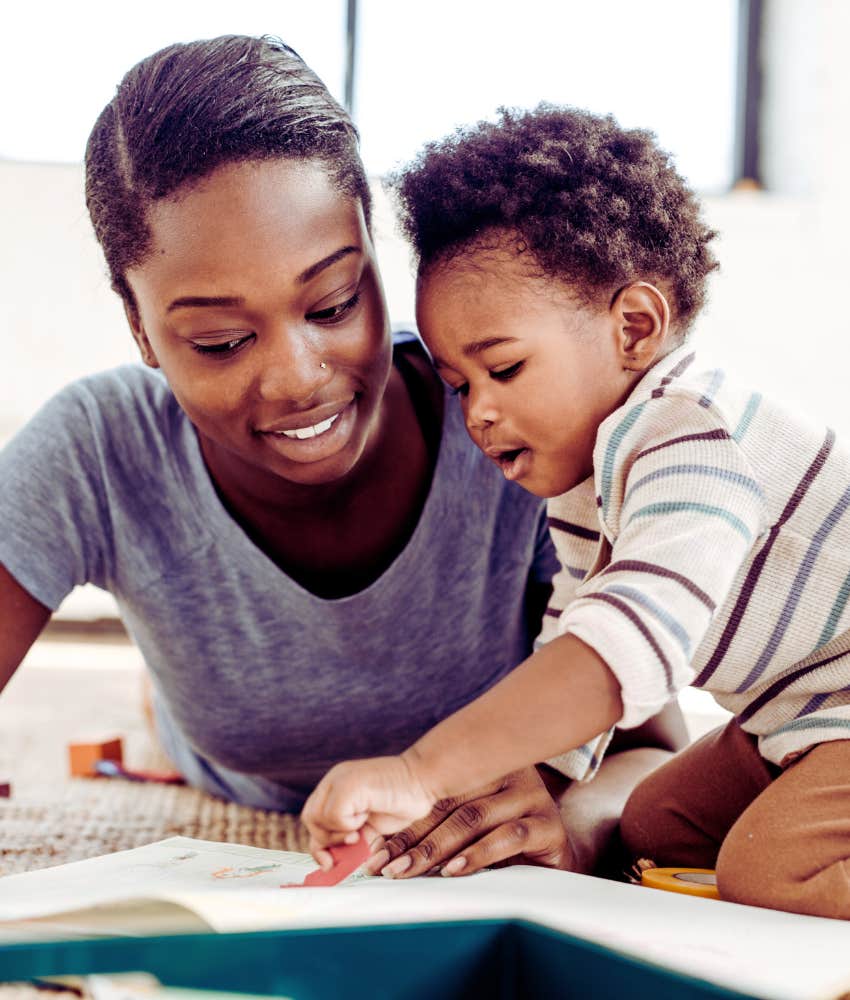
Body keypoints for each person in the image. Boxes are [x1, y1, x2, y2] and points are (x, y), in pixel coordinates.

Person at [0, 38, 685, 879]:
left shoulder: (522, 427)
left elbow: (653, 750)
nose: (297, 379)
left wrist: (573, 825)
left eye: (333, 302)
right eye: (220, 340)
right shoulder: (99, 449)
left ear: (372, 251)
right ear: (140, 328)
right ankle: (154, 700)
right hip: (232, 775)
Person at [301, 103, 850, 920]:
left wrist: (422, 772)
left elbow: (624, 643)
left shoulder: (690, 431)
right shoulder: (591, 479)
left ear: (633, 326)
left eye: (506, 368)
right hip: (795, 718)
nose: (478, 414)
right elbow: (575, 628)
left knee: (769, 874)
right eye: (460, 387)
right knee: (651, 830)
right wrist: (548, 779)